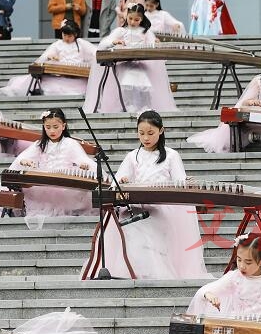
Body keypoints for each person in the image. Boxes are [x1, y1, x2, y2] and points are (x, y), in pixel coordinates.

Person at [83, 111, 209, 280]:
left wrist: (187, 182)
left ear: (161, 130)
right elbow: (116, 184)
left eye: (150, 133)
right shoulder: (132, 156)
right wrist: (124, 181)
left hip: (162, 210)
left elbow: (180, 184)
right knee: (132, 230)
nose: (146, 138)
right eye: (141, 133)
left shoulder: (171, 156)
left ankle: (153, 275)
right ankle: (136, 273)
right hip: (136, 208)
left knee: (149, 232)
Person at [7, 108, 96, 218]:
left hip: (64, 180)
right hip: (44, 180)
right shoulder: (40, 144)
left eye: (55, 127)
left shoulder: (70, 143)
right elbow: (22, 158)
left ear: (63, 126)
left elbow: (81, 159)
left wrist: (82, 164)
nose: (52, 131)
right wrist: (26, 161)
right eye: (48, 127)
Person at [84, 2, 159, 115]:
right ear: (126, 16)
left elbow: (152, 46)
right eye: (130, 18)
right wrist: (114, 42)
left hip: (141, 64)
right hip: (124, 64)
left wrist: (154, 43)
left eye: (137, 20)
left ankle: (144, 108)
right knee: (127, 84)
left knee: (143, 85)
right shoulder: (121, 31)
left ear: (142, 19)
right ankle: (128, 106)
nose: (133, 22)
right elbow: (103, 44)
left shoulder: (145, 32)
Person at [0, 21, 96, 97]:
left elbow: (94, 52)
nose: (66, 38)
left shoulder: (81, 43)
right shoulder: (58, 44)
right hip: (61, 74)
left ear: (75, 34)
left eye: (69, 36)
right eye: (64, 35)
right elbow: (47, 55)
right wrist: (51, 57)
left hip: (78, 75)